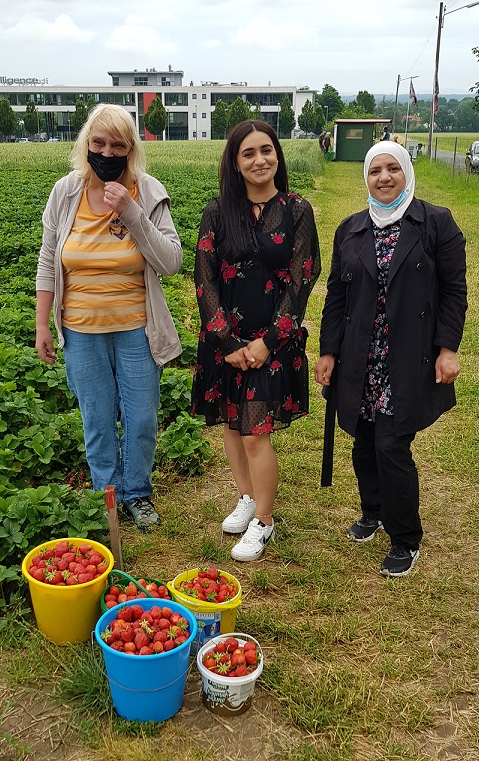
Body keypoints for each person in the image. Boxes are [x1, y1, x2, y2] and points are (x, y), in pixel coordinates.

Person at [314, 141, 467, 577]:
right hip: (361, 356)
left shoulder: (435, 223)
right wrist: (328, 351)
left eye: (392, 169)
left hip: (407, 355)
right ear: (366, 176)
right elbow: (337, 296)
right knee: (363, 444)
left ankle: (405, 537)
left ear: (406, 173)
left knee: (391, 446)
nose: (384, 177)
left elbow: (455, 291)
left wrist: (447, 348)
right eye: (375, 170)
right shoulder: (351, 228)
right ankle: (373, 511)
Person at [35, 103, 182, 530]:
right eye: (98, 143)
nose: (107, 152)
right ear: (86, 145)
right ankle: (108, 493)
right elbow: (49, 260)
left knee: (140, 417)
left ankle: (137, 493)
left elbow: (170, 261)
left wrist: (132, 214)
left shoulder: (147, 191)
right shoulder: (66, 193)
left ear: (131, 149)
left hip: (137, 327)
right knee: (97, 418)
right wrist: (42, 323)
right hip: (81, 329)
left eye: (118, 145)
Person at [192, 120, 320, 561]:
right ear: (235, 162)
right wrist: (226, 343)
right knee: (232, 424)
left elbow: (303, 278)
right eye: (248, 153)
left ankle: (264, 520)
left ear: (278, 156)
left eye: (267, 150)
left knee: (254, 434)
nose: (260, 160)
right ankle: (246, 496)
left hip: (274, 341)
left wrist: (269, 341)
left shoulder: (298, 209)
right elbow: (204, 275)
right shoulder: (217, 210)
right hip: (226, 343)